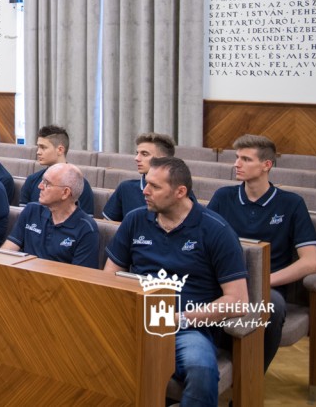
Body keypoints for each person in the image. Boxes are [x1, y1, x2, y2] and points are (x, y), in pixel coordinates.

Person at [105, 157, 249, 407]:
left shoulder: (216, 230)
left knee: (201, 370)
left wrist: (177, 318)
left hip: (186, 327)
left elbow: (238, 301)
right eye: (146, 183)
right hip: (133, 319)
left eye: (154, 186)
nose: (144, 191)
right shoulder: (135, 220)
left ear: (180, 192)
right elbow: (109, 277)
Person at [207, 134, 316, 372]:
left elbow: (310, 262)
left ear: (266, 165)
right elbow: (203, 241)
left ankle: (252, 378)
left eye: (246, 159)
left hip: (267, 287)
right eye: (237, 157)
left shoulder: (291, 203)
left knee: (272, 307)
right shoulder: (223, 196)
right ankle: (219, 369)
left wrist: (263, 281)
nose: (236, 164)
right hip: (224, 281)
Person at [2, 163, 98, 268]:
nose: (40, 186)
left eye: (47, 183)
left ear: (65, 192)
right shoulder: (32, 210)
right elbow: (7, 252)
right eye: (42, 181)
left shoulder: (86, 229)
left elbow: (79, 275)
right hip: (23, 275)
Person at [20, 124, 94, 215]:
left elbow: (84, 220)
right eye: (38, 147)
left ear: (60, 150)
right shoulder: (32, 180)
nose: (38, 152)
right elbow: (24, 217)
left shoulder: (80, 185)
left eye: (43, 147)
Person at [102, 132, 177, 222]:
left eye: (144, 154)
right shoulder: (125, 188)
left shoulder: (177, 191)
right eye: (137, 153)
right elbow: (107, 225)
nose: (137, 158)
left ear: (163, 159)